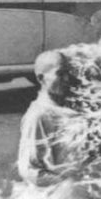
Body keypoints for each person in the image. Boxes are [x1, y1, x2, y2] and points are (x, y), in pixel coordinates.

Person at [18, 51, 85, 186]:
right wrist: (70, 187)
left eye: (68, 73)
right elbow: (30, 171)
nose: (67, 79)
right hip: (60, 196)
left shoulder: (68, 107)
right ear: (41, 79)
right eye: (60, 74)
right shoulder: (40, 115)